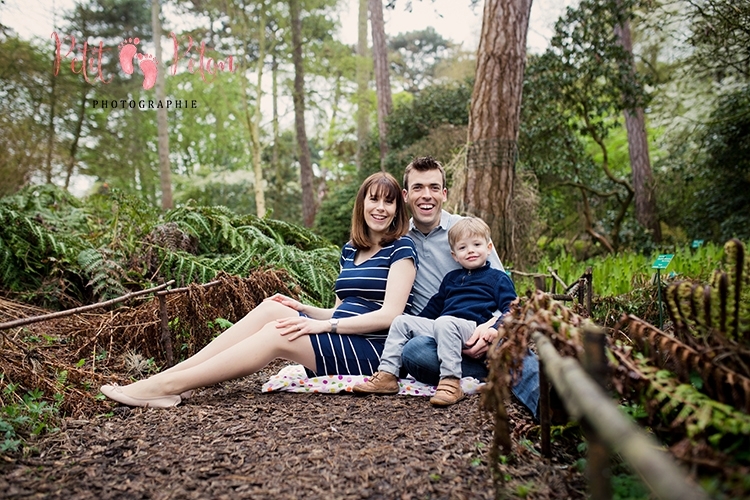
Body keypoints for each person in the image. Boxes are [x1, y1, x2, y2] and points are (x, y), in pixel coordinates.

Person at [101, 172, 418, 408]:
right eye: (373, 199)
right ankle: (173, 380)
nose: (381, 208)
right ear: (361, 203)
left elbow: (391, 315)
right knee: (273, 308)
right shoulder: (351, 249)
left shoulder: (401, 248)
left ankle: (166, 385)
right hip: (344, 332)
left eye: (388, 202)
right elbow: (339, 310)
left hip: (375, 351)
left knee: (278, 334)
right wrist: (303, 309)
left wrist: (324, 325)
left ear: (396, 209)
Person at [397, 156, 540, 418]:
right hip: (437, 339)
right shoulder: (400, 240)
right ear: (406, 195)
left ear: (444, 193)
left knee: (508, 348)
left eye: (433, 187)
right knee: (413, 352)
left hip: (483, 330)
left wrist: (492, 331)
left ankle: (550, 406)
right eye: (418, 188)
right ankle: (495, 370)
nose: (426, 195)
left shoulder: (467, 233)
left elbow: (508, 298)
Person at [353, 217, 517, 406]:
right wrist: (416, 325)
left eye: (477, 244)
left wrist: (496, 327)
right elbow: (433, 308)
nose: (470, 250)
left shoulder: (498, 278)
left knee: (445, 321)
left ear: (488, 248)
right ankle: (387, 374)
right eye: (462, 248)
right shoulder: (451, 278)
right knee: (401, 321)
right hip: (443, 326)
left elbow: (511, 308)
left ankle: (450, 381)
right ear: (454, 255)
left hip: (471, 328)